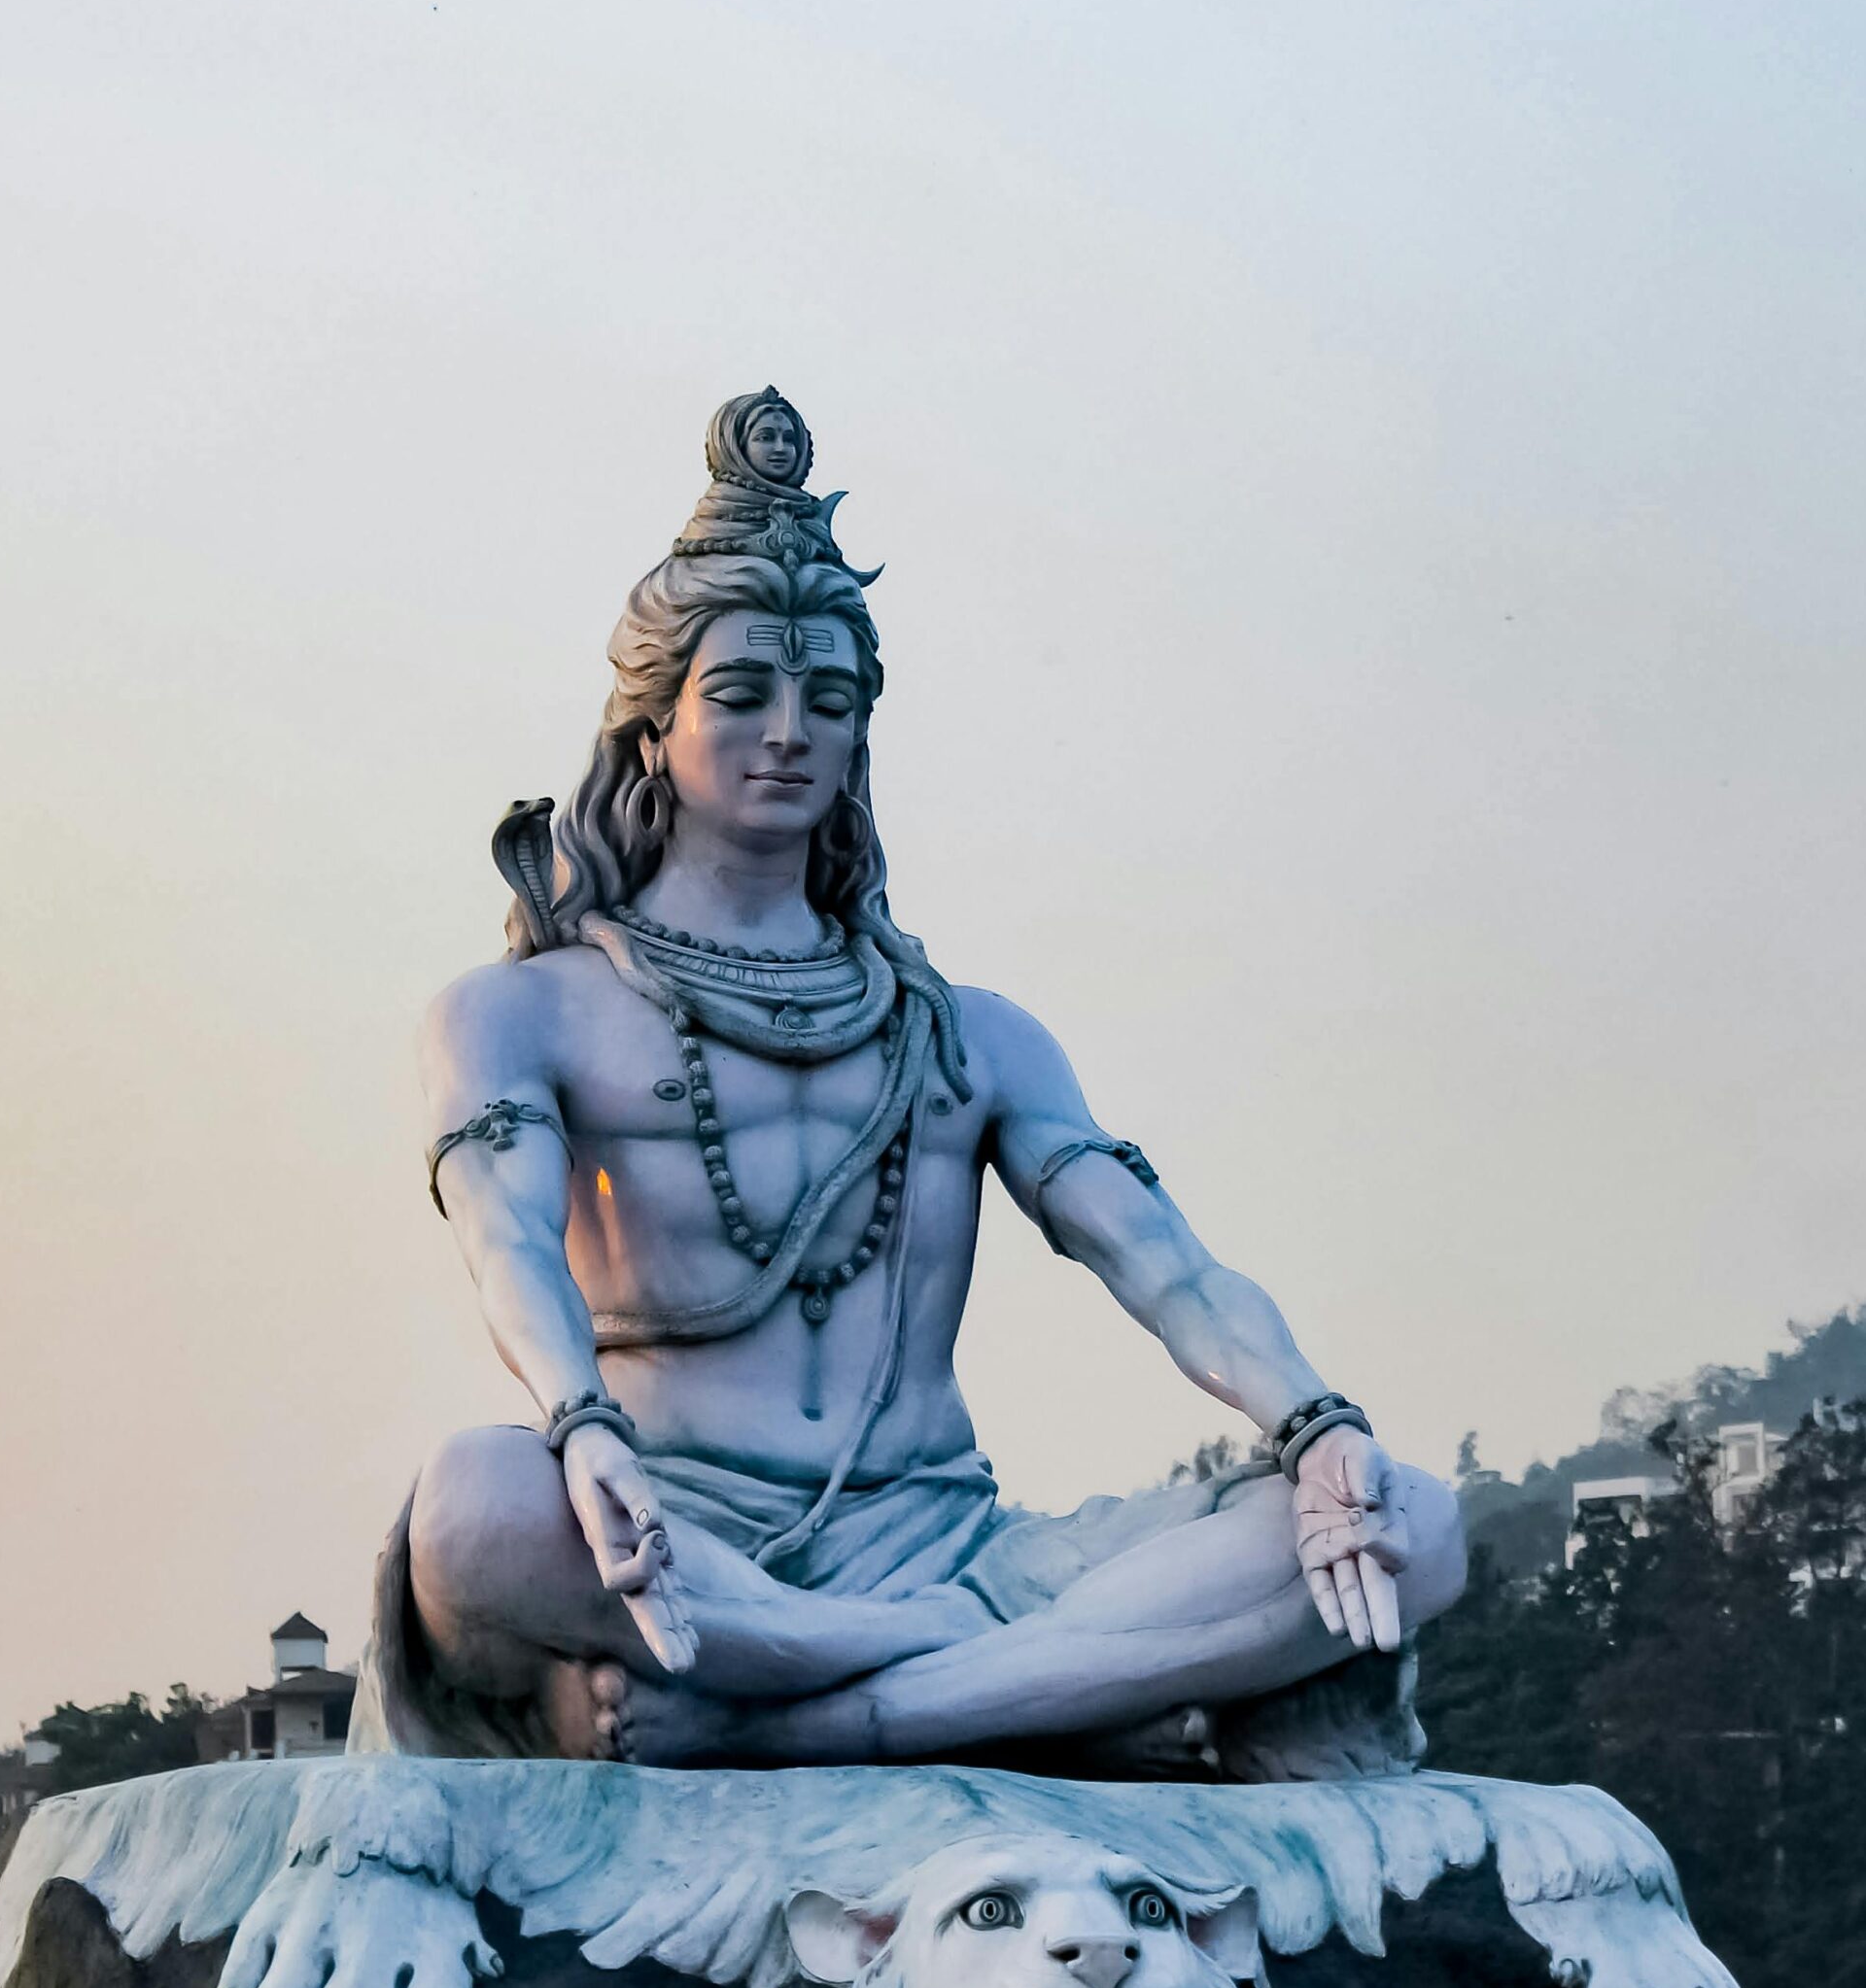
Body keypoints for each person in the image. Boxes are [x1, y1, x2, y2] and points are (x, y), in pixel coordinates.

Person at [350, 391, 1466, 1774]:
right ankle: (1046, 1700)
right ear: (651, 729)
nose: (787, 731)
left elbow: (1162, 1265)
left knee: (1406, 1523)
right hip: (670, 1531)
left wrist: (1309, 1420)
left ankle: (815, 1717)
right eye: (741, 693)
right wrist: (580, 1434)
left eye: (828, 699)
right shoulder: (516, 1014)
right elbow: (507, 1236)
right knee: (471, 1511)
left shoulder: (970, 1033)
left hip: (946, 1550)